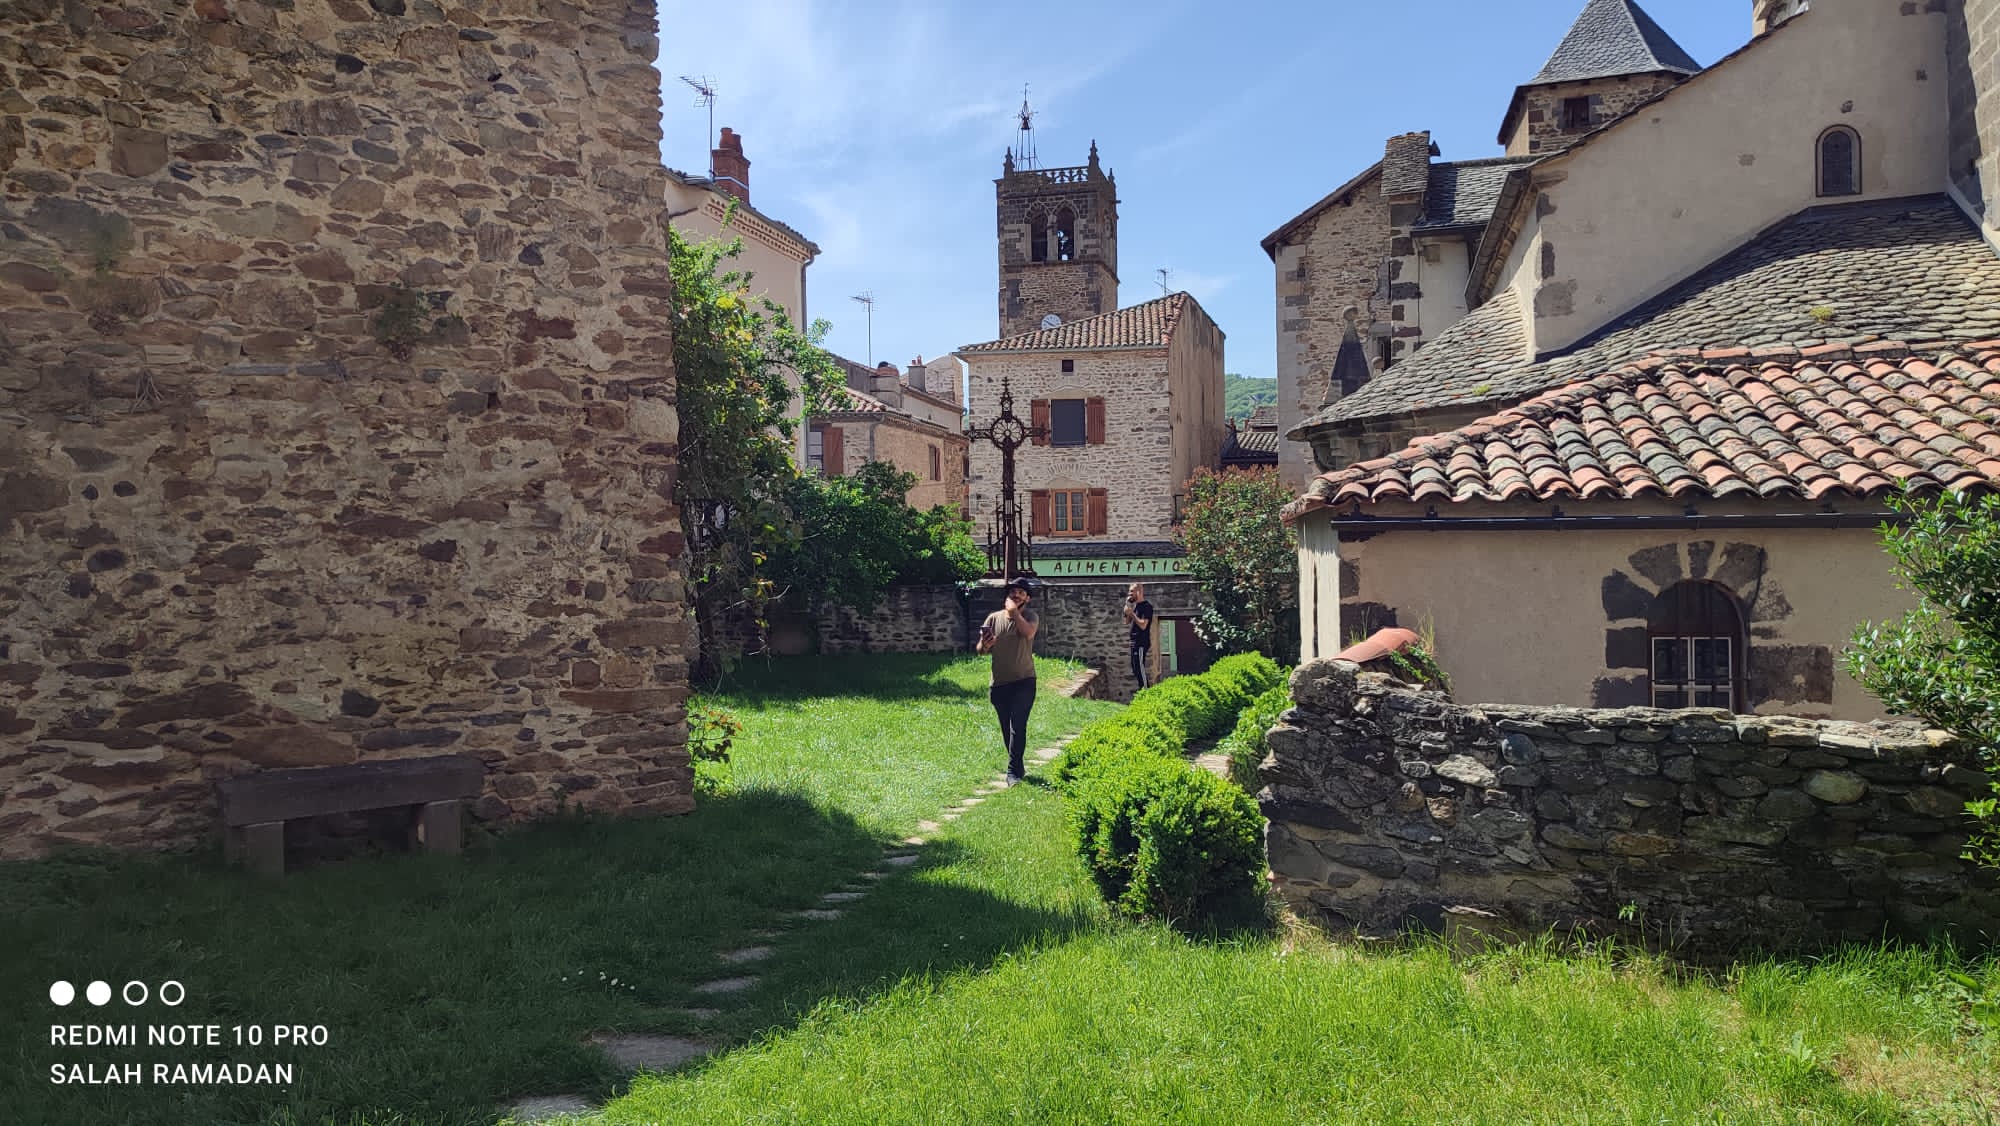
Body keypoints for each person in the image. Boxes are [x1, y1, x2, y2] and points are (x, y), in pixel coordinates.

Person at [976, 577, 1039, 784]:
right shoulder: (993, 618)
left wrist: (1014, 613)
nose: (1016, 595)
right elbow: (980, 650)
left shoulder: (1030, 616)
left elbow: (1028, 634)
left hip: (1025, 681)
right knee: (1006, 729)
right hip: (999, 684)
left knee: (1017, 726)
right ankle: (1018, 767)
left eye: (1021, 592)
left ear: (1027, 598)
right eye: (1013, 591)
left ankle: (1012, 773)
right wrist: (985, 645)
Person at [1123, 582, 1155, 690]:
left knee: (1140, 667)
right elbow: (1126, 622)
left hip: (1141, 642)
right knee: (1135, 668)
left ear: (1139, 592)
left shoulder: (1147, 607)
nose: (1129, 594)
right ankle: (1143, 689)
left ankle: (1146, 691)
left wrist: (1132, 614)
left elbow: (1143, 625)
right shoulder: (1135, 606)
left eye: (1132, 591)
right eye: (1129, 591)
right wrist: (1127, 611)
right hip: (1134, 642)